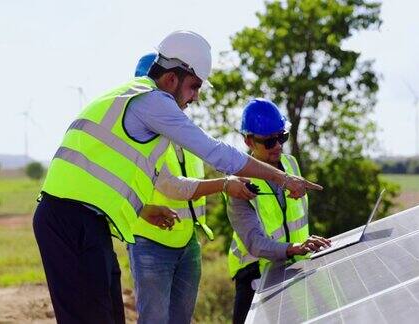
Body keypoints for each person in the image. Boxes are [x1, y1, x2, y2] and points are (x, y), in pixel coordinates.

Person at [33, 30, 322, 324]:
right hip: (69, 221)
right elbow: (219, 154)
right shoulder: (153, 102)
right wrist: (282, 178)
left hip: (85, 221)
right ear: (172, 79)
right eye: (194, 86)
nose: (196, 97)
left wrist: (143, 208)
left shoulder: (136, 103)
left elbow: (129, 179)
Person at [128, 53, 256, 324]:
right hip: (151, 243)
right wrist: (224, 184)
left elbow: (209, 160)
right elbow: (173, 187)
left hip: (187, 241)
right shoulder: (143, 138)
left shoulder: (181, 129)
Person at [226, 99, 331, 324]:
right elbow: (255, 243)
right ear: (248, 140)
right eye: (269, 141)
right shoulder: (239, 183)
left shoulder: (291, 165)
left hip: (293, 265)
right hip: (255, 276)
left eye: (282, 137)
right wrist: (293, 248)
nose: (277, 146)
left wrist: (302, 244)